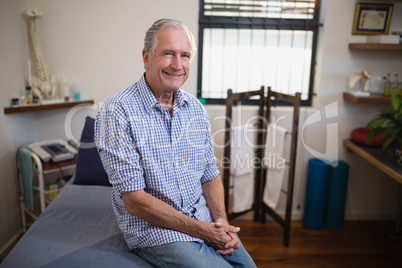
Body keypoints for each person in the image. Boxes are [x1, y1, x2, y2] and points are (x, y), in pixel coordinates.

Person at [95, 18, 256, 268]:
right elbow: (134, 199)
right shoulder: (116, 112)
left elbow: (209, 174)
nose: (178, 65)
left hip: (204, 221)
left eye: (185, 55)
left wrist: (221, 222)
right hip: (158, 233)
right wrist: (202, 231)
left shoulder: (195, 109)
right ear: (146, 58)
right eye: (168, 54)